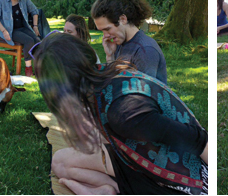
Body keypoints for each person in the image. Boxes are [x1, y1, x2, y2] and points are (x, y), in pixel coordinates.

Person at [34, 33, 208, 195]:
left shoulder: (124, 113)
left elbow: (197, 139)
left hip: (182, 183)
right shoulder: (103, 78)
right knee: (60, 162)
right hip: (140, 160)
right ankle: (113, 189)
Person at [90, 0, 167, 83]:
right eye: (102, 31)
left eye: (107, 29)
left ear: (123, 19)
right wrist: (110, 56)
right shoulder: (120, 43)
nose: (105, 35)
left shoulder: (145, 50)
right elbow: (114, 83)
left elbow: (144, 93)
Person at [0, 0, 40, 77]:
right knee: (29, 41)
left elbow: (35, 11)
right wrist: (4, 31)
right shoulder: (2, 0)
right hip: (10, 30)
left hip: (23, 28)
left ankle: (39, 67)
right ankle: (28, 69)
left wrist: (35, 26)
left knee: (37, 41)